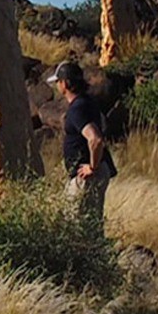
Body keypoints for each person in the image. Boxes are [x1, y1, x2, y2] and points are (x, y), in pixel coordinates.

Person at [48, 60, 116, 233]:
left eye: (58, 81)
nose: (57, 85)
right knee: (90, 224)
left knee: (78, 227)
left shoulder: (77, 108)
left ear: (64, 83)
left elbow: (95, 139)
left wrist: (92, 167)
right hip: (95, 172)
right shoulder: (88, 102)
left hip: (87, 177)